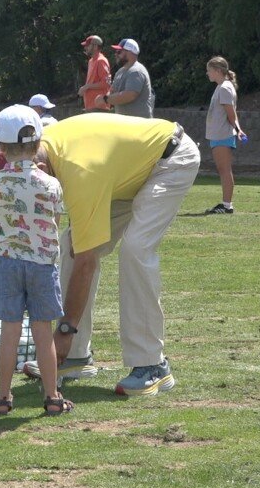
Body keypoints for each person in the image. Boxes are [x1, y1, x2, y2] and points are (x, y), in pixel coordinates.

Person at [21, 113, 199, 396]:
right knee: (71, 243)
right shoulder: (45, 149)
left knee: (136, 248)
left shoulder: (80, 172)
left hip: (171, 160)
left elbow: (86, 262)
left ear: (40, 168)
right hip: (125, 174)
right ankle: (75, 357)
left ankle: (153, 365)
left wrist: (65, 329)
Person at [0, 105, 71, 417]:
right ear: (37, 145)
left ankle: (3, 398)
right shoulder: (51, 185)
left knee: (10, 333)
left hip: (8, 264)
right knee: (43, 333)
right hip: (43, 265)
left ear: (0, 146)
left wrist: (8, 245)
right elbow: (54, 223)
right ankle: (53, 397)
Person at [204, 56, 246, 214]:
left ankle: (227, 205)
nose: (207, 73)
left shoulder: (224, 88)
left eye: (209, 70)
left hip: (222, 135)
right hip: (218, 135)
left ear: (217, 71)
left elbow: (231, 114)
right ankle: (226, 204)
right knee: (223, 170)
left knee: (225, 170)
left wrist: (238, 130)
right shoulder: (221, 87)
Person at [94, 39, 154, 118]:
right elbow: (112, 91)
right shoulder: (120, 72)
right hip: (125, 122)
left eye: (119, 52)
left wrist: (105, 99)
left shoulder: (136, 71)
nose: (116, 54)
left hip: (139, 122)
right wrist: (104, 97)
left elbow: (129, 95)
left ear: (130, 53)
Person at [78, 35, 111, 112]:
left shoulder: (101, 61)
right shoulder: (91, 61)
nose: (85, 48)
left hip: (99, 107)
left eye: (87, 45)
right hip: (90, 107)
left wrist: (86, 87)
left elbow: (106, 83)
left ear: (95, 47)